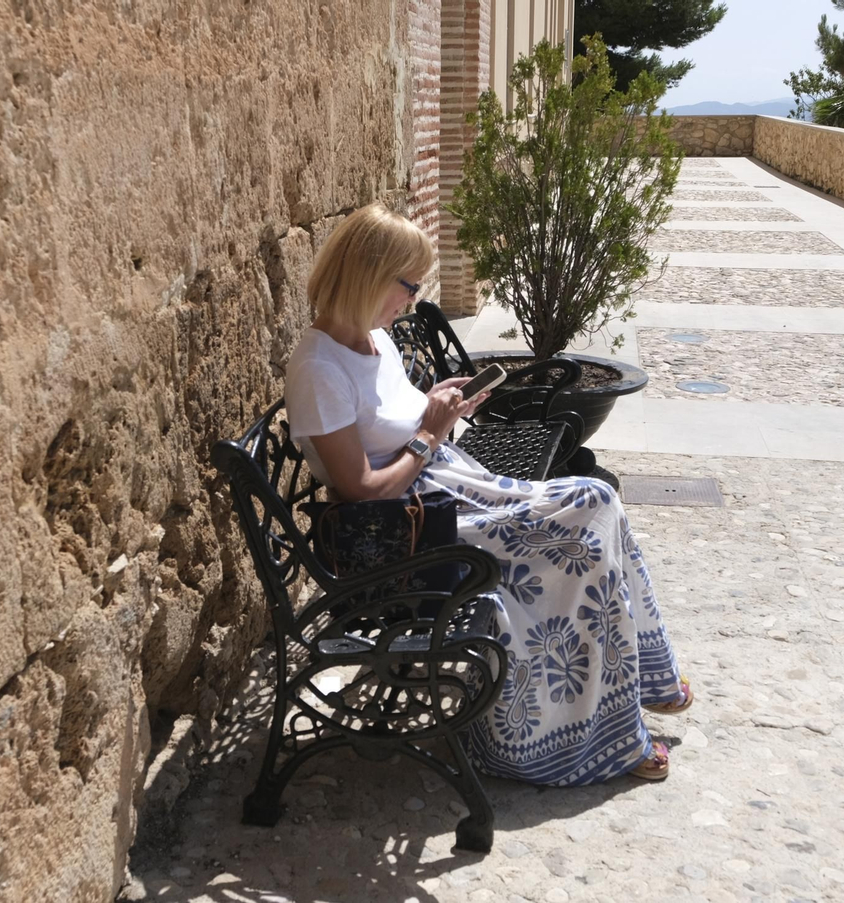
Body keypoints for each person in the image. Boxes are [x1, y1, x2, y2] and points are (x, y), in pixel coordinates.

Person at [283, 203, 693, 786]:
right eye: (408, 285)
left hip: (446, 491)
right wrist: (431, 433)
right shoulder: (319, 368)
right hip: (412, 530)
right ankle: (600, 729)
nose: (414, 299)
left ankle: (636, 687)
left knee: (594, 503)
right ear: (370, 276)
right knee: (584, 520)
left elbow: (391, 425)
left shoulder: (372, 339)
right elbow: (363, 490)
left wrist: (437, 404)